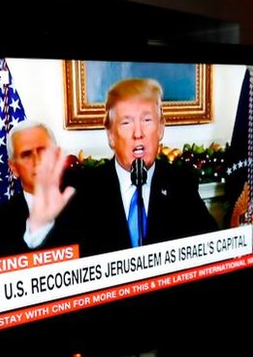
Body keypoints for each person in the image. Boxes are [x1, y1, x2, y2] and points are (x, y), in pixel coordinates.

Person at [31, 77, 217, 256]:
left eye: (147, 120)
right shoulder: (83, 189)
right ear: (111, 135)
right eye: (126, 123)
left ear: (161, 128)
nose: (138, 133)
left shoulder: (181, 183)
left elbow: (212, 249)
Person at [0, 120, 69, 262]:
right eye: (26, 155)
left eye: (43, 151)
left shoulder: (91, 211)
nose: (37, 161)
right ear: (13, 168)